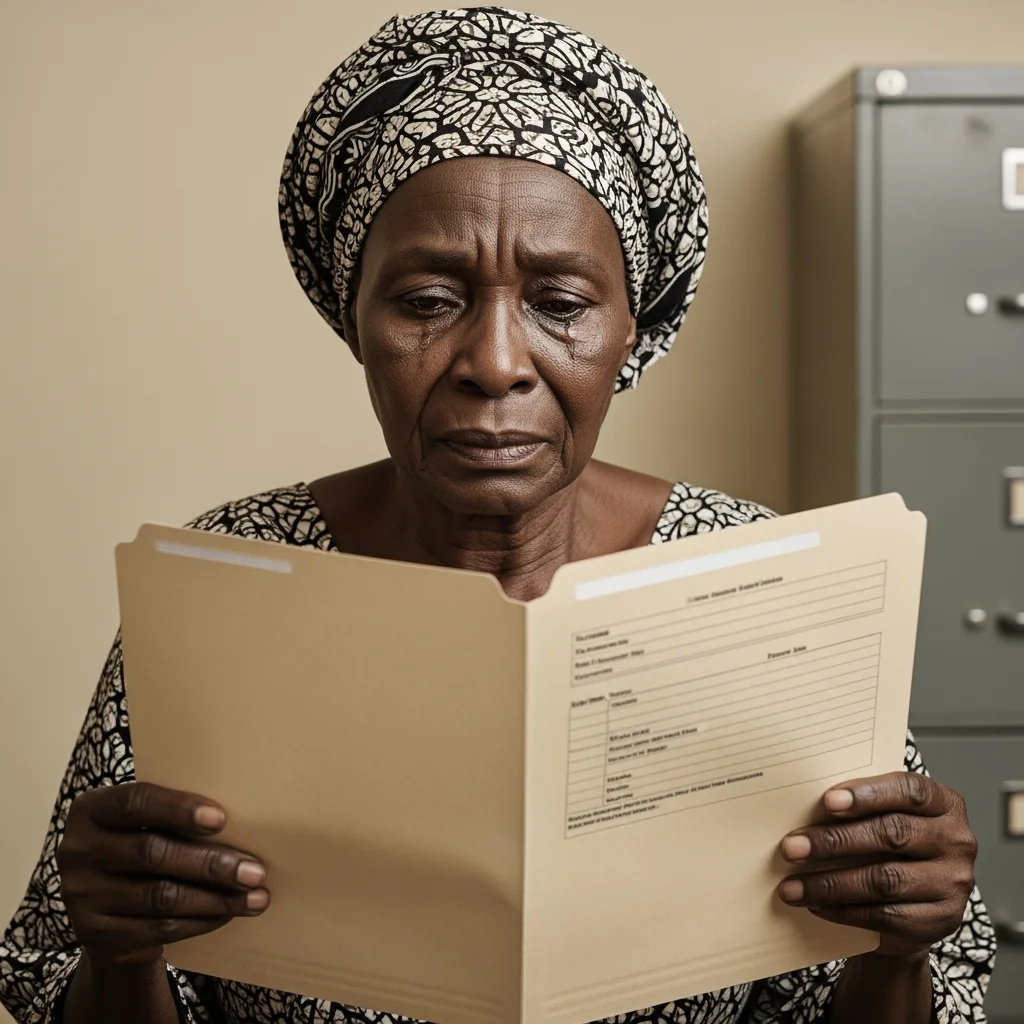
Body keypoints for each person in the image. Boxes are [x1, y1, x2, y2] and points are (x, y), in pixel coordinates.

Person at [0, 8, 995, 1024]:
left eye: (560, 303)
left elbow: (883, 979)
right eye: (427, 300)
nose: (494, 363)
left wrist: (897, 946)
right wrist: (120, 955)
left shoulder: (765, 585)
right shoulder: (228, 588)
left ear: (630, 331)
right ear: (356, 323)